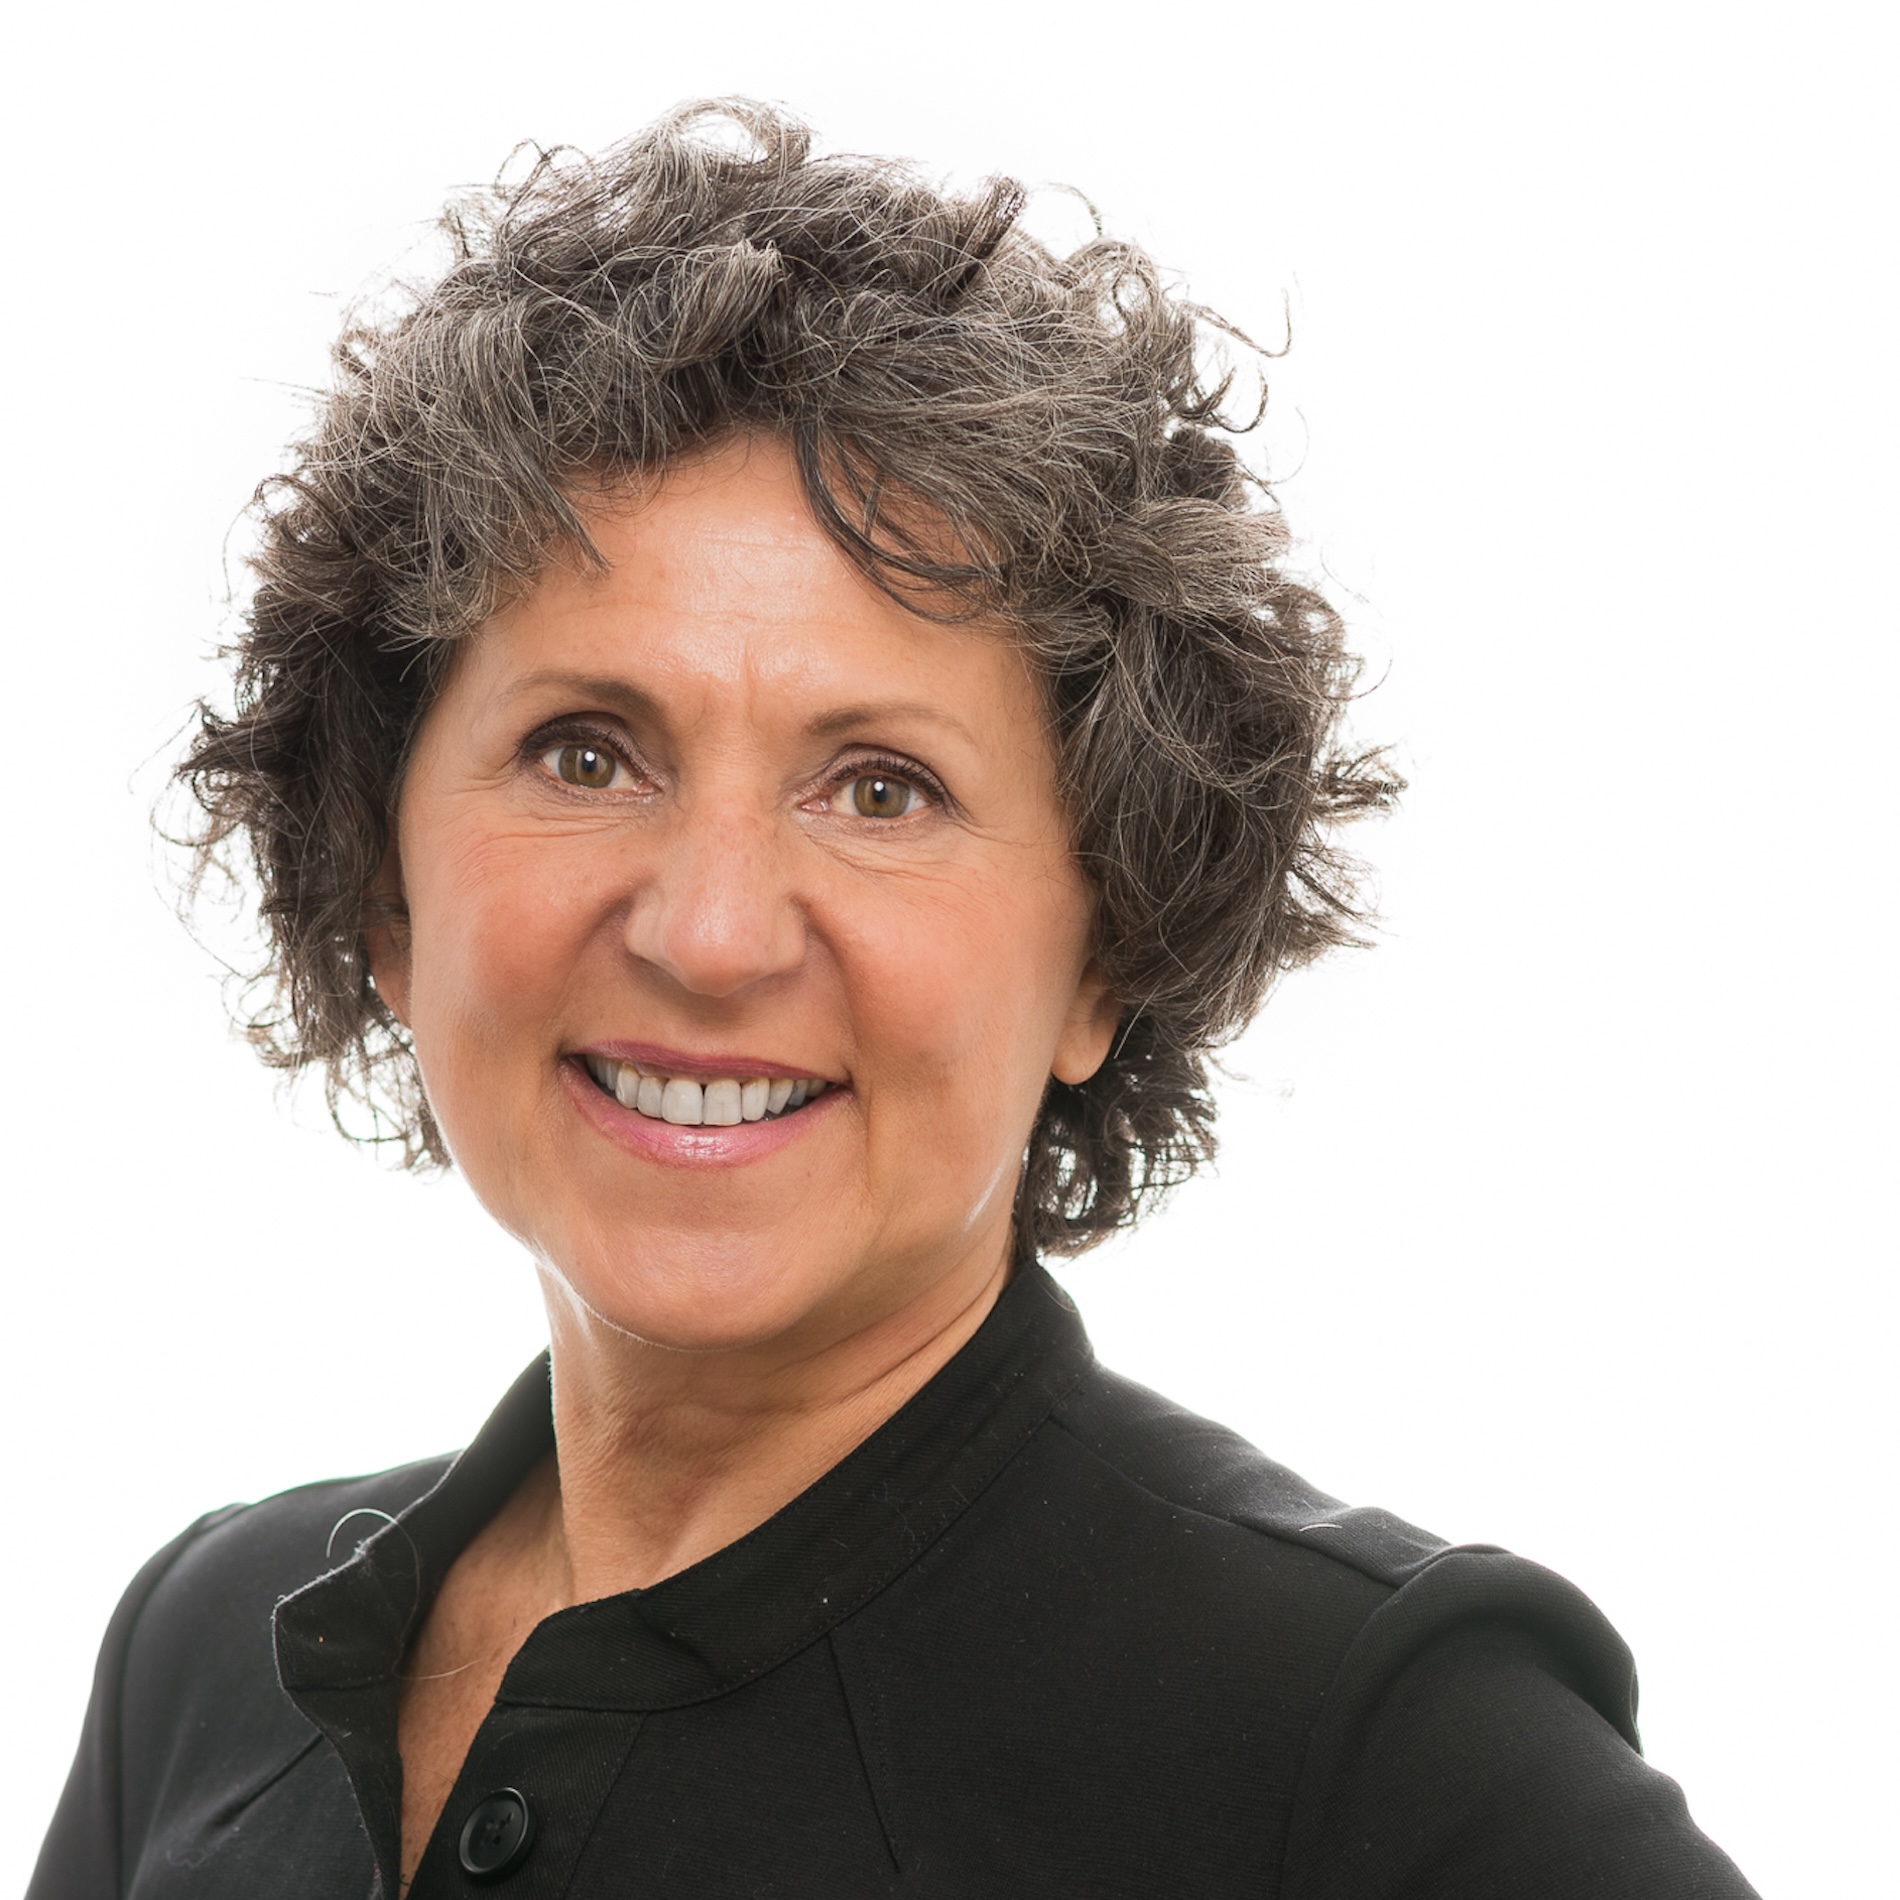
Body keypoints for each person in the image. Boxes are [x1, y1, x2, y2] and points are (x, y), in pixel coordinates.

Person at [31, 100, 1759, 1899]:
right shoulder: (203, 1653)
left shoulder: (1376, 1750)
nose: (712, 933)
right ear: (385, 887)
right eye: (587, 752)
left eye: (881, 789)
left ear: (1108, 947)